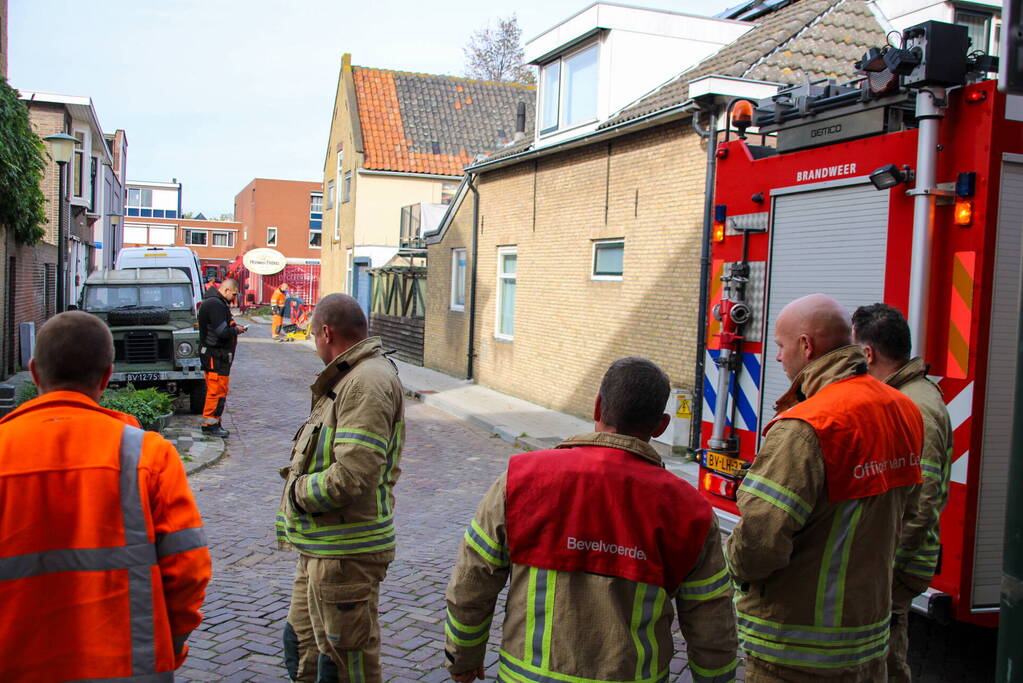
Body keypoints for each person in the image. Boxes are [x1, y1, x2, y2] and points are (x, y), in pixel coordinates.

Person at [445, 357, 739, 683]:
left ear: (598, 407)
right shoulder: (690, 510)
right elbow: (711, 619)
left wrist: (463, 656)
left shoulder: (520, 480)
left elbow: (472, 580)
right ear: (662, 425)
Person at [0, 311, 211, 682]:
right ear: (106, 376)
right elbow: (189, 570)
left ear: (34, 373)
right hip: (126, 665)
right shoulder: (147, 455)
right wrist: (170, 642)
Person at [725, 294, 924, 682]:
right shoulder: (903, 409)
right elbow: (909, 511)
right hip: (868, 642)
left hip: (797, 650)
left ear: (806, 345)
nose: (779, 357)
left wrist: (736, 569)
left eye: (781, 346)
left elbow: (759, 543)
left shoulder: (807, 426)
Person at [276, 293, 404, 683]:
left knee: (346, 666)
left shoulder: (366, 382)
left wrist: (296, 493)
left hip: (346, 552)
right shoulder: (349, 377)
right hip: (322, 546)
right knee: (301, 648)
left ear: (326, 333)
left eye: (313, 335)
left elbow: (352, 475)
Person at [852, 303, 953, 683]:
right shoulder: (907, 396)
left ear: (868, 354)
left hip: (897, 564)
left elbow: (920, 501)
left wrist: (885, 563)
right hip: (893, 560)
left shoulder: (914, 406)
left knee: (887, 660)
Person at [197, 278, 247, 437]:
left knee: (219, 390)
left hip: (218, 356)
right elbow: (222, 332)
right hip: (215, 356)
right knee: (215, 390)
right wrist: (236, 330)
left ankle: (214, 422)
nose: (234, 298)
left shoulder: (215, 304)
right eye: (234, 294)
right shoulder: (215, 305)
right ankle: (210, 425)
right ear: (226, 290)